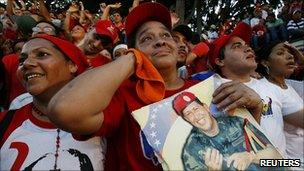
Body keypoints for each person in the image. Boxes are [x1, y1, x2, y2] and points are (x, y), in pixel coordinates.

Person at [47, 2, 263, 170]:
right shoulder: (123, 94)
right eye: (146, 39)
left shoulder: (205, 88)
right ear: (134, 51)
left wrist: (255, 109)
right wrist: (132, 59)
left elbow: (245, 153)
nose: (160, 41)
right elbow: (63, 110)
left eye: (165, 35)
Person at [0, 34, 107, 170]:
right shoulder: (4, 122)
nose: (26, 63)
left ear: (72, 65)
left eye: (42, 54)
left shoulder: (105, 123)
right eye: (22, 60)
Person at [200, 21, 303, 157]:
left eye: (247, 45)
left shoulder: (271, 86)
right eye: (237, 46)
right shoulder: (208, 92)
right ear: (220, 61)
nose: (248, 49)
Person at [172, 91, 282, 171]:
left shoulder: (237, 123)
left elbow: (278, 158)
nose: (195, 115)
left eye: (196, 109)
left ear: (206, 107)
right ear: (186, 120)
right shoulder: (191, 150)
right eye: (188, 114)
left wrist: (252, 157)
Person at [256, 41, 304, 168]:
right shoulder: (265, 90)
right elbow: (271, 158)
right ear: (265, 62)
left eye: (290, 53)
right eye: (280, 53)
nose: (290, 56)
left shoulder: (289, 85)